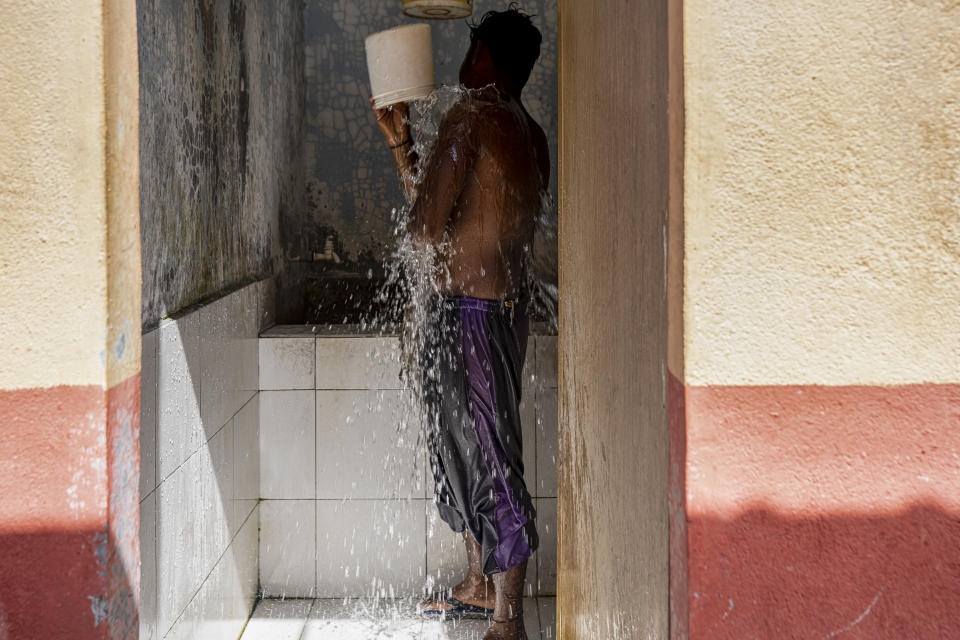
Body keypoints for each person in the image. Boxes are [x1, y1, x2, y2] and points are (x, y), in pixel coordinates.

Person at [371, 7, 549, 640]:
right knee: (471, 442)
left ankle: (508, 619)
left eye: (471, 45)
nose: (463, 56)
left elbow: (425, 227)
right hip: (501, 309)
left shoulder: (469, 116)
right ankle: (479, 585)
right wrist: (404, 144)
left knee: (489, 456)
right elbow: (466, 213)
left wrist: (403, 149)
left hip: (467, 312)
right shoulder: (529, 132)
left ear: (483, 56)